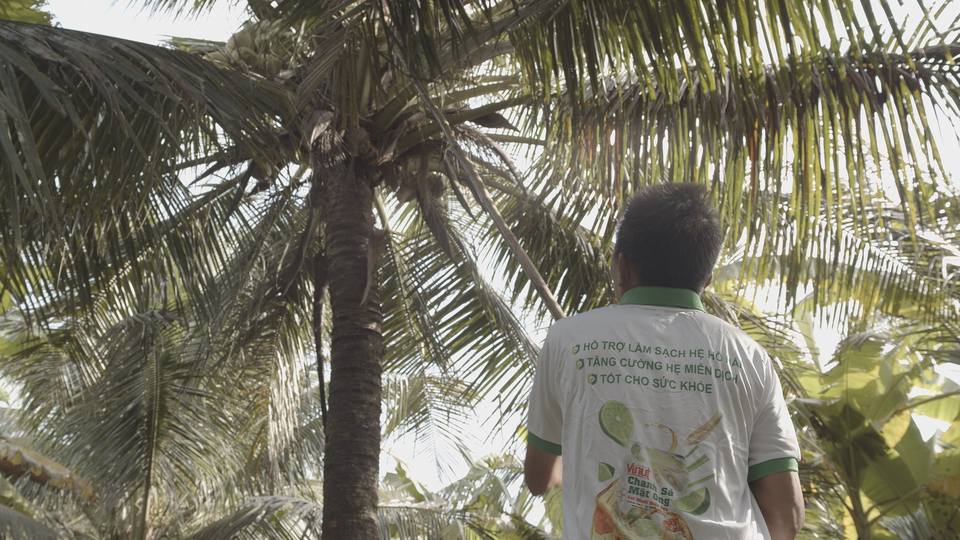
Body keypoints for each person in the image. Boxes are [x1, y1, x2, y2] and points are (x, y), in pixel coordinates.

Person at [524, 183, 803, 539]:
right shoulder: (750, 358)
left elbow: (539, 478)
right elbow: (786, 513)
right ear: (706, 278)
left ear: (621, 266)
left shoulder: (569, 339)